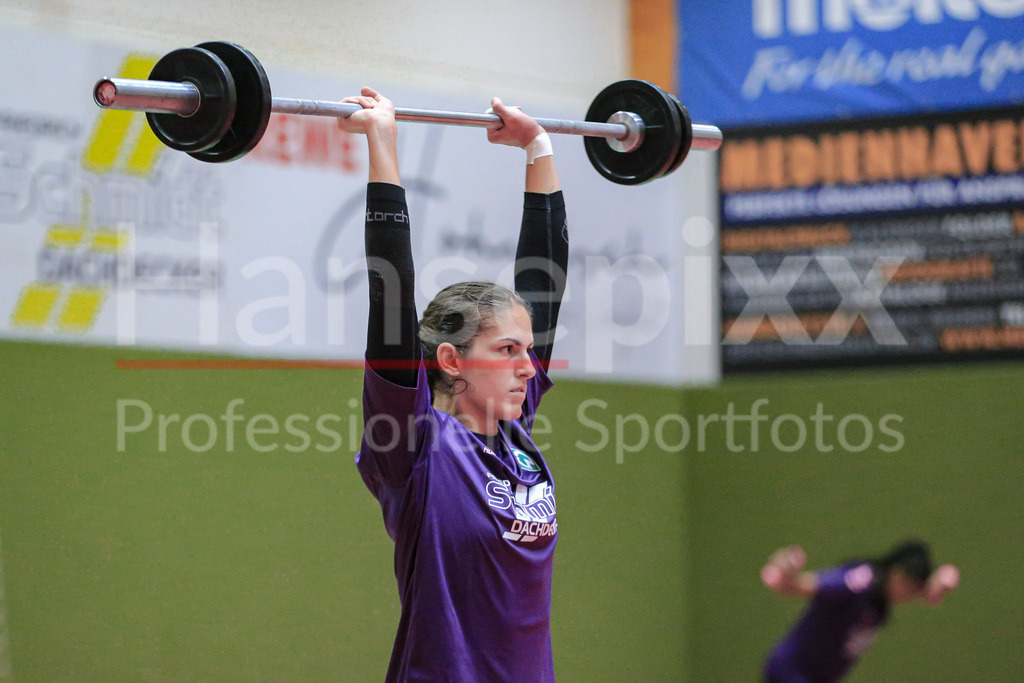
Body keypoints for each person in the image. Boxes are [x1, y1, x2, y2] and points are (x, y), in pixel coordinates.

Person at [339, 87, 567, 681]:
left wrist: (536, 147)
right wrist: (382, 143)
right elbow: (389, 291)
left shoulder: (516, 433)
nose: (528, 365)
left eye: (528, 350)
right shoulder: (411, 444)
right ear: (452, 359)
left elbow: (545, 280)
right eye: (507, 350)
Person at [760, 541, 960, 682]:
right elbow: (805, 586)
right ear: (893, 572)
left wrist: (937, 585)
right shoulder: (858, 582)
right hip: (790, 673)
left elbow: (927, 590)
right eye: (904, 584)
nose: (906, 594)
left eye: (912, 588)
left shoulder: (884, 599)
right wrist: (786, 574)